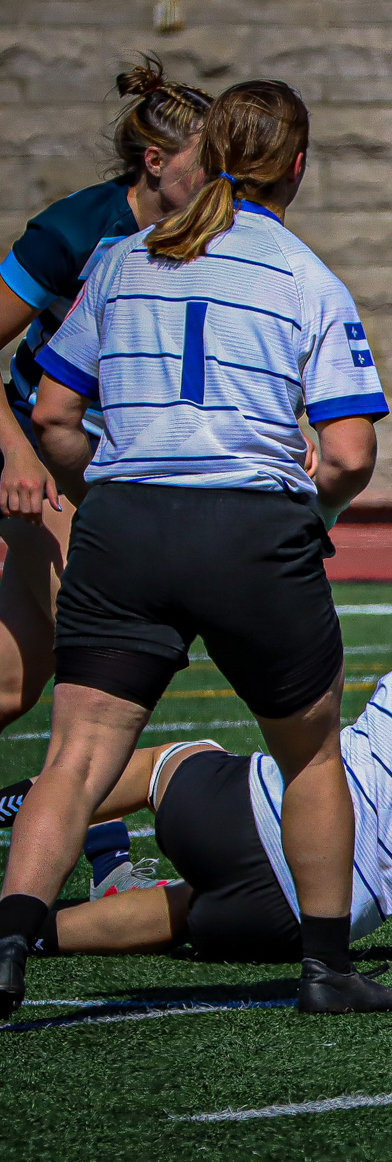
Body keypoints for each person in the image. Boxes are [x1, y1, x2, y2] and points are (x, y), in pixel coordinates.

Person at [0, 79, 392, 1017]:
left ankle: (11, 942)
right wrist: (306, 519)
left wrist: (105, 493)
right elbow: (348, 452)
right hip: (250, 530)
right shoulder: (305, 275)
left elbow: (55, 413)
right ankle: (326, 969)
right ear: (298, 168)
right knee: (309, 758)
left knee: (75, 758)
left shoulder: (121, 260)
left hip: (126, 523)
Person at [9, 592, 392, 965]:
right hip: (299, 919)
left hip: (240, 815)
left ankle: (31, 809)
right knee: (191, 907)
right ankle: (34, 936)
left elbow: (385, 780)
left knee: (159, 764)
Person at [0, 56, 212, 899]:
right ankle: (107, 861)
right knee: (105, 650)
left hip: (109, 468)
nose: (221, 178)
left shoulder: (207, 235)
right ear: (155, 162)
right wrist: (16, 451)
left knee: (19, 677)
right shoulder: (73, 230)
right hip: (37, 450)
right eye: (207, 161)